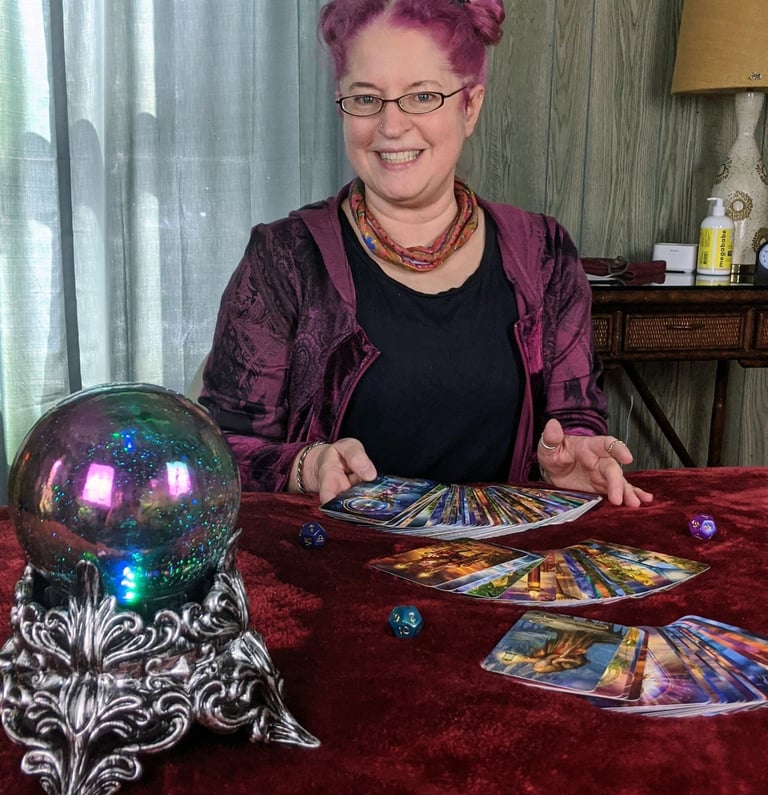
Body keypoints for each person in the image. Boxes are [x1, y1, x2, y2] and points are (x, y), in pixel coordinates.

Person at [200, 0, 653, 509]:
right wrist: (305, 466)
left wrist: (568, 456)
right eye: (366, 99)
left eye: (422, 96)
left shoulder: (543, 254)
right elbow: (217, 449)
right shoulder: (282, 258)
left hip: (501, 570)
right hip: (334, 564)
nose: (391, 126)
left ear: (471, 107)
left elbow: (574, 417)